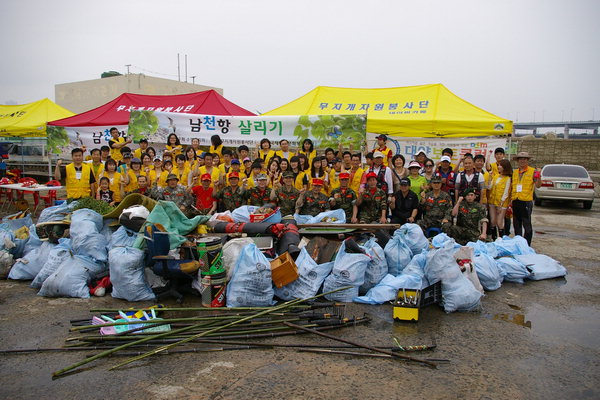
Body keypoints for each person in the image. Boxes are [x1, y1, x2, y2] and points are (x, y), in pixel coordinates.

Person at [511, 151, 541, 245]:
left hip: (526, 201)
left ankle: (527, 244)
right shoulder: (515, 172)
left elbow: (538, 185)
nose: (522, 161)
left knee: (527, 224)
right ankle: (518, 243)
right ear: (517, 161)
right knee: (516, 224)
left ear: (527, 160)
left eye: (524, 159)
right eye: (520, 159)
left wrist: (539, 176)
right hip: (516, 200)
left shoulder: (533, 171)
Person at [489, 159, 513, 237]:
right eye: (498, 165)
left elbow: (506, 193)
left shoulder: (508, 179)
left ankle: (502, 238)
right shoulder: (496, 176)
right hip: (492, 201)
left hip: (501, 203)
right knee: (493, 221)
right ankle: (494, 238)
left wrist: (500, 204)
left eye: (500, 165)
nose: (498, 167)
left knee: (499, 222)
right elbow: (489, 187)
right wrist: (490, 177)